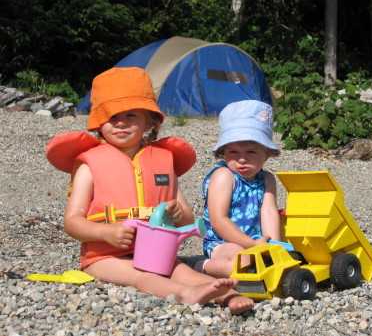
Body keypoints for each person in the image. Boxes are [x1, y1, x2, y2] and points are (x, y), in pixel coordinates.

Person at [46, 67, 253, 314]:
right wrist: (104, 232)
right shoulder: (90, 165)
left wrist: (178, 214)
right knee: (142, 277)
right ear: (99, 122)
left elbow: (187, 218)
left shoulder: (163, 161)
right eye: (112, 117)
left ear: (149, 120)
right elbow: (72, 222)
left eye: (131, 115)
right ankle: (187, 295)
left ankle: (226, 294)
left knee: (181, 270)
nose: (120, 122)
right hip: (103, 259)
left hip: (155, 252)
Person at [196, 100, 281, 278]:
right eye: (233, 152)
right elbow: (219, 220)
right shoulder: (224, 176)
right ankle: (201, 266)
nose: (242, 159)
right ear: (223, 152)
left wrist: (273, 247)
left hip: (255, 241)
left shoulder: (267, 179)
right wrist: (250, 244)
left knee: (270, 260)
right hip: (222, 242)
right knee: (241, 260)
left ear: (267, 153)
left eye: (251, 152)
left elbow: (269, 212)